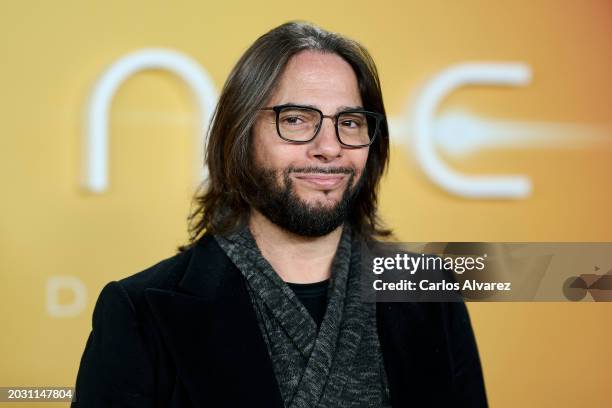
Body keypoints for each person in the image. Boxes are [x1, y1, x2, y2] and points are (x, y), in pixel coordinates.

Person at [71, 21, 487, 407]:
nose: (329, 146)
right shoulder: (140, 313)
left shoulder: (429, 296)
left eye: (351, 122)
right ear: (241, 135)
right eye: (295, 119)